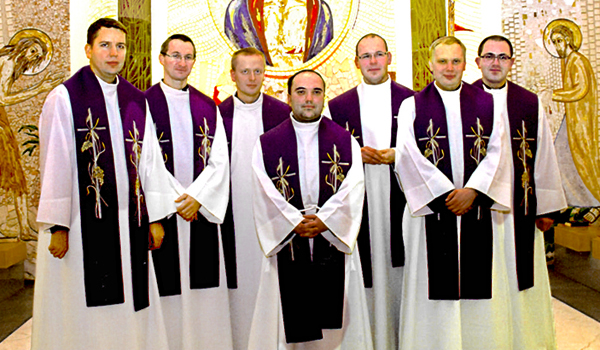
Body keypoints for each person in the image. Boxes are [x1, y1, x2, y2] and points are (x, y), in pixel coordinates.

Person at [32, 18, 174, 350]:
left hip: (130, 224)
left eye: (120, 46)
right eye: (105, 45)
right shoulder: (65, 98)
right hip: (81, 225)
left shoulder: (137, 99)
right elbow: (54, 161)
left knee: (129, 296)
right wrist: (57, 224)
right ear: (88, 49)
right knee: (81, 299)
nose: (114, 53)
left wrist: (155, 218)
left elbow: (151, 163)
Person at [394, 36, 511, 349]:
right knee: (431, 282)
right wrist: (447, 194)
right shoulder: (412, 106)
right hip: (432, 214)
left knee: (480, 282)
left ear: (465, 64)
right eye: (442, 61)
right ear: (429, 65)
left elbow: (499, 153)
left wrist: (473, 191)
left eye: (455, 61)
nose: (449, 68)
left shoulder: (488, 103)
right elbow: (406, 156)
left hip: (477, 211)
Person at [248, 69, 372, 349]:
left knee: (336, 322)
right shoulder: (267, 143)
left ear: (323, 97)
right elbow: (263, 189)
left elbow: (354, 187)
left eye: (316, 92)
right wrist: (294, 221)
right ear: (288, 96)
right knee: (286, 313)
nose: (308, 99)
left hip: (330, 238)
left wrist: (326, 220)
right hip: (290, 240)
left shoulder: (345, 140)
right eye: (301, 92)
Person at [473, 35, 567, 349]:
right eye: (489, 56)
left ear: (512, 63)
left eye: (502, 57)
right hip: (478, 210)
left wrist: (547, 208)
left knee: (518, 278)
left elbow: (544, 156)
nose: (495, 63)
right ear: (478, 62)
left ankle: (523, 340)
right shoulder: (464, 99)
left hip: (519, 209)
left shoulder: (528, 102)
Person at [325, 33, 413, 350]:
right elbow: (330, 156)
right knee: (367, 268)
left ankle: (405, 338)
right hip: (361, 197)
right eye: (366, 56)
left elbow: (426, 151)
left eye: (378, 54)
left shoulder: (410, 101)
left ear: (389, 58)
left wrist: (396, 155)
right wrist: (353, 155)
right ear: (356, 63)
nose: (373, 61)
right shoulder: (338, 106)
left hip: (400, 194)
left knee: (399, 267)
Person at [145, 34, 233, 350]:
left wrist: (197, 197)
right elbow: (146, 161)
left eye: (188, 57)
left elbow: (220, 160)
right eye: (176, 55)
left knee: (202, 289)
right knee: (165, 289)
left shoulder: (207, 106)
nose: (182, 63)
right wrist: (176, 201)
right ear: (162, 58)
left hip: (198, 211)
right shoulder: (143, 104)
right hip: (166, 213)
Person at [217, 47, 290, 350]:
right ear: (232, 75)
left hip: (270, 214)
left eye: (257, 71)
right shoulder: (217, 115)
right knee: (237, 283)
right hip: (231, 215)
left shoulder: (280, 113)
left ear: (265, 73)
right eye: (244, 71)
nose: (251, 78)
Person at [546, 19, 599, 205]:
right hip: (572, 117)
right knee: (561, 155)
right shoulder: (567, 61)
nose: (557, 46)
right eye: (554, 42)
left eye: (559, 41)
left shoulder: (578, 61)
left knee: (580, 157)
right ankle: (573, 201)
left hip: (581, 120)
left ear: (568, 40)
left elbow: (581, 89)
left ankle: (590, 201)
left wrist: (553, 94)